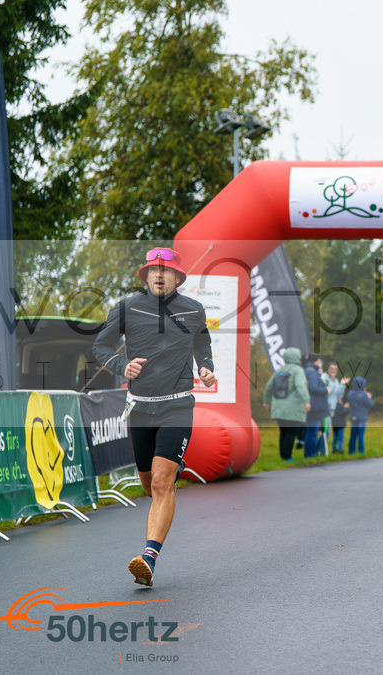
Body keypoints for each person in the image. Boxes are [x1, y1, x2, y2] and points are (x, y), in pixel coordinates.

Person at [93, 247, 215, 588]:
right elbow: (101, 347)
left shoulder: (193, 309)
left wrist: (206, 367)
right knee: (150, 486)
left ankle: (148, 558)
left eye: (166, 270)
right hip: (141, 408)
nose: (159, 275)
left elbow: (202, 346)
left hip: (177, 405)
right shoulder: (127, 308)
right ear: (146, 276)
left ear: (177, 277)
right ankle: (171, 471)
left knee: (162, 483)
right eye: (153, 270)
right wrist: (122, 365)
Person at [262, 347, 311, 462]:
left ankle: (283, 457)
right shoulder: (298, 370)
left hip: (278, 408)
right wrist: (306, 401)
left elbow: (269, 386)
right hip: (292, 408)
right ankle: (287, 457)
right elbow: (300, 386)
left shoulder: (279, 370)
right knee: (291, 432)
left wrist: (266, 401)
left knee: (283, 432)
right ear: (297, 357)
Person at [299, 353, 328, 458]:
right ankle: (310, 455)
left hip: (312, 405)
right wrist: (325, 390)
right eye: (319, 360)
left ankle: (309, 454)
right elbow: (313, 387)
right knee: (312, 432)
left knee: (311, 432)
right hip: (315, 406)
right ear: (316, 361)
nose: (320, 362)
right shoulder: (312, 372)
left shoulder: (307, 370)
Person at [322, 362, 348, 453]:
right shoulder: (324, 377)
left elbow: (339, 395)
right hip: (325, 408)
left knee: (328, 431)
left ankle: (320, 450)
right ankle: (319, 450)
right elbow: (324, 391)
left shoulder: (336, 380)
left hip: (333, 409)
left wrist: (342, 385)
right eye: (332, 369)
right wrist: (328, 387)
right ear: (328, 369)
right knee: (326, 431)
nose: (333, 371)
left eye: (335, 369)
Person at [346, 377, 373, 455]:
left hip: (353, 416)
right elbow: (369, 405)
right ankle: (361, 451)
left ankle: (351, 451)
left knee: (353, 434)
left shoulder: (350, 393)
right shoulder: (364, 395)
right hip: (362, 417)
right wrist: (369, 398)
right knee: (360, 435)